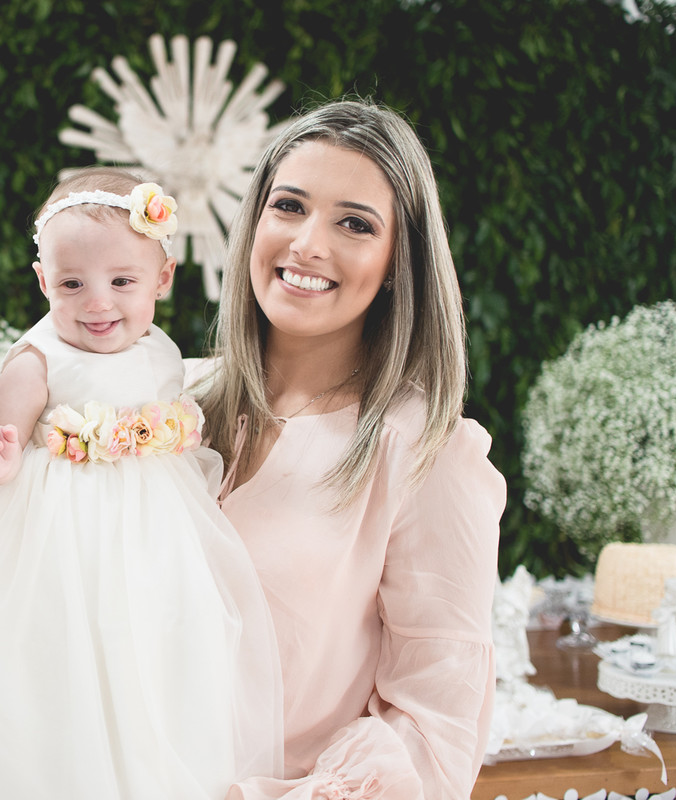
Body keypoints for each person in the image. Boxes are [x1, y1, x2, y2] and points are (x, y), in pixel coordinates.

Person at [0, 167, 283, 800]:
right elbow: (4, 437)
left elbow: (180, 425)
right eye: (73, 284)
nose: (98, 303)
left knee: (165, 647)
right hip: (66, 540)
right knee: (73, 664)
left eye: (123, 282)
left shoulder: (163, 352)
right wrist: (0, 458)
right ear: (43, 282)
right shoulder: (37, 359)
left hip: (156, 533)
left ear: (162, 278)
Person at [195, 99, 506, 799]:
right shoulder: (171, 400)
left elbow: (436, 723)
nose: (308, 243)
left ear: (398, 261)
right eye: (289, 206)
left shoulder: (426, 453)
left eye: (355, 223)